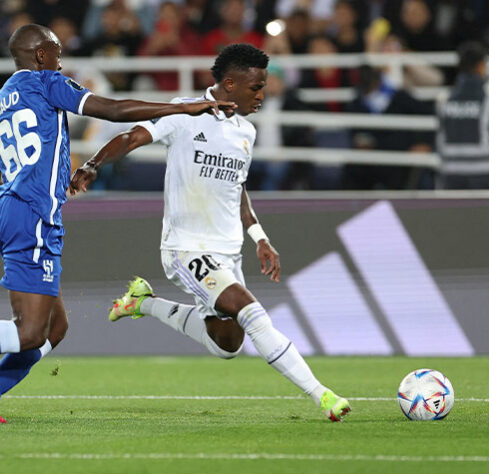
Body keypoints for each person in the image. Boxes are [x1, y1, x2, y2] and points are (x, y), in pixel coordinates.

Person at [0, 23, 233, 423]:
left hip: (6, 211)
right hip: (32, 215)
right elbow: (114, 110)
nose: (60, 57)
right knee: (30, 331)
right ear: (39, 56)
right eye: (55, 50)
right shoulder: (46, 82)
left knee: (54, 328)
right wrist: (182, 107)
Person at [69, 43, 351, 422]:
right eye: (256, 88)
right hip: (186, 249)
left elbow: (238, 191)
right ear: (230, 84)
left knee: (227, 345)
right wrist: (93, 164)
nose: (261, 95)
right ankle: (324, 396)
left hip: (228, 251)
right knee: (252, 313)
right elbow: (132, 136)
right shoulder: (184, 112)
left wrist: (260, 237)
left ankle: (144, 303)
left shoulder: (245, 132)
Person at [437, 41, 489, 189]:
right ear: (481, 66)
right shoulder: (488, 99)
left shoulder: (444, 99)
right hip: (484, 176)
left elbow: (440, 141)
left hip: (451, 176)